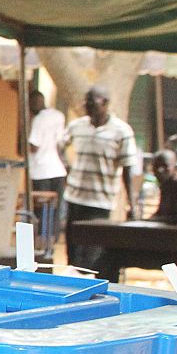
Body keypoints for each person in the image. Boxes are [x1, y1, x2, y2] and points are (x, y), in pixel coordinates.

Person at [61, 85, 142, 272]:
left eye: (91, 101)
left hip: (100, 201)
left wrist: (132, 202)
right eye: (85, 101)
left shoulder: (122, 131)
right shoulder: (77, 126)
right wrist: (66, 167)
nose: (86, 105)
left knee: (91, 255)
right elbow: (60, 145)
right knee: (72, 252)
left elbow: (128, 168)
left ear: (105, 103)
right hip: (74, 197)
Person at [25, 90, 66, 258]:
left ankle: (40, 246)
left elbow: (34, 146)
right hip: (58, 169)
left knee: (39, 210)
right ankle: (51, 244)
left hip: (40, 170)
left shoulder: (38, 119)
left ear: (34, 103)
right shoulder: (58, 115)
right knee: (54, 210)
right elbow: (59, 143)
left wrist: (21, 143)